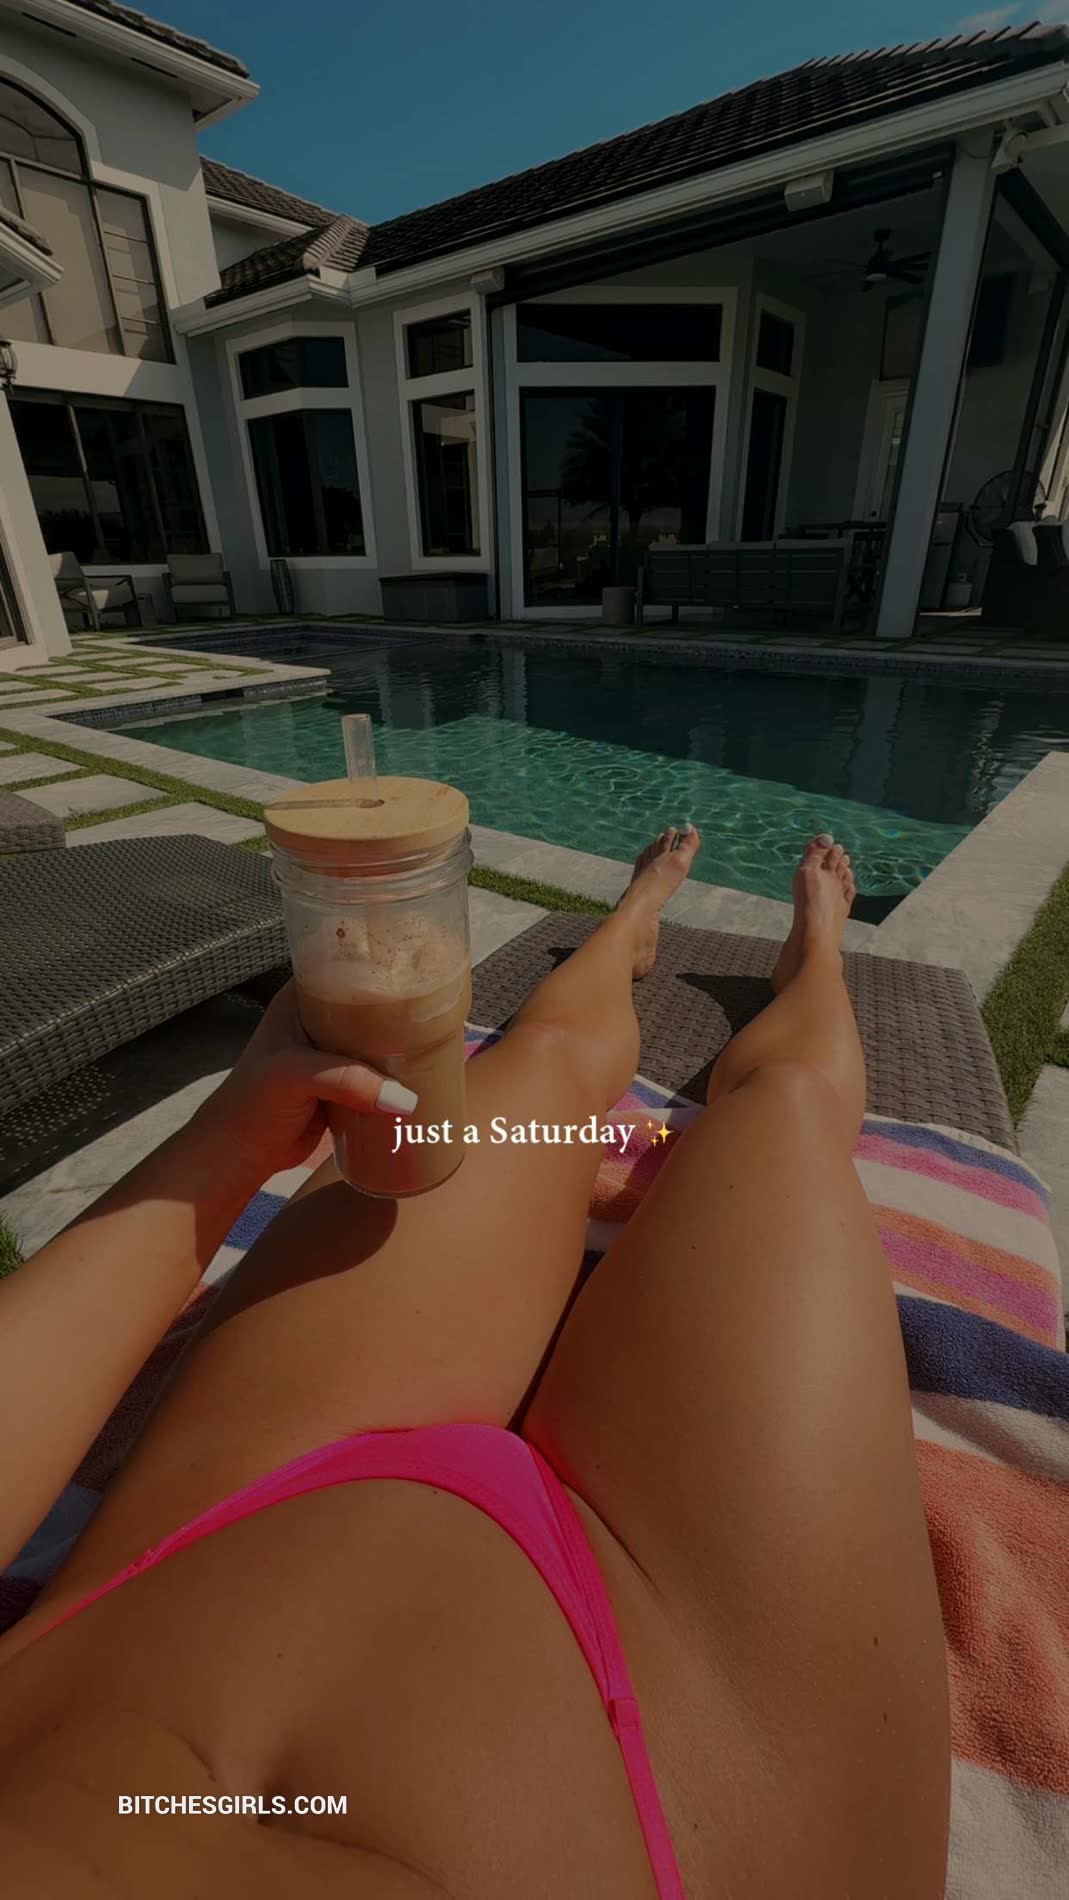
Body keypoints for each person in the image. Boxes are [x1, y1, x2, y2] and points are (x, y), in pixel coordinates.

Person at [0, 827, 950, 1898]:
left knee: (546, 1056)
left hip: (221, 1526)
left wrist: (233, 1139)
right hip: (683, 1771)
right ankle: (811, 957)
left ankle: (635, 927)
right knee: (783, 1105)